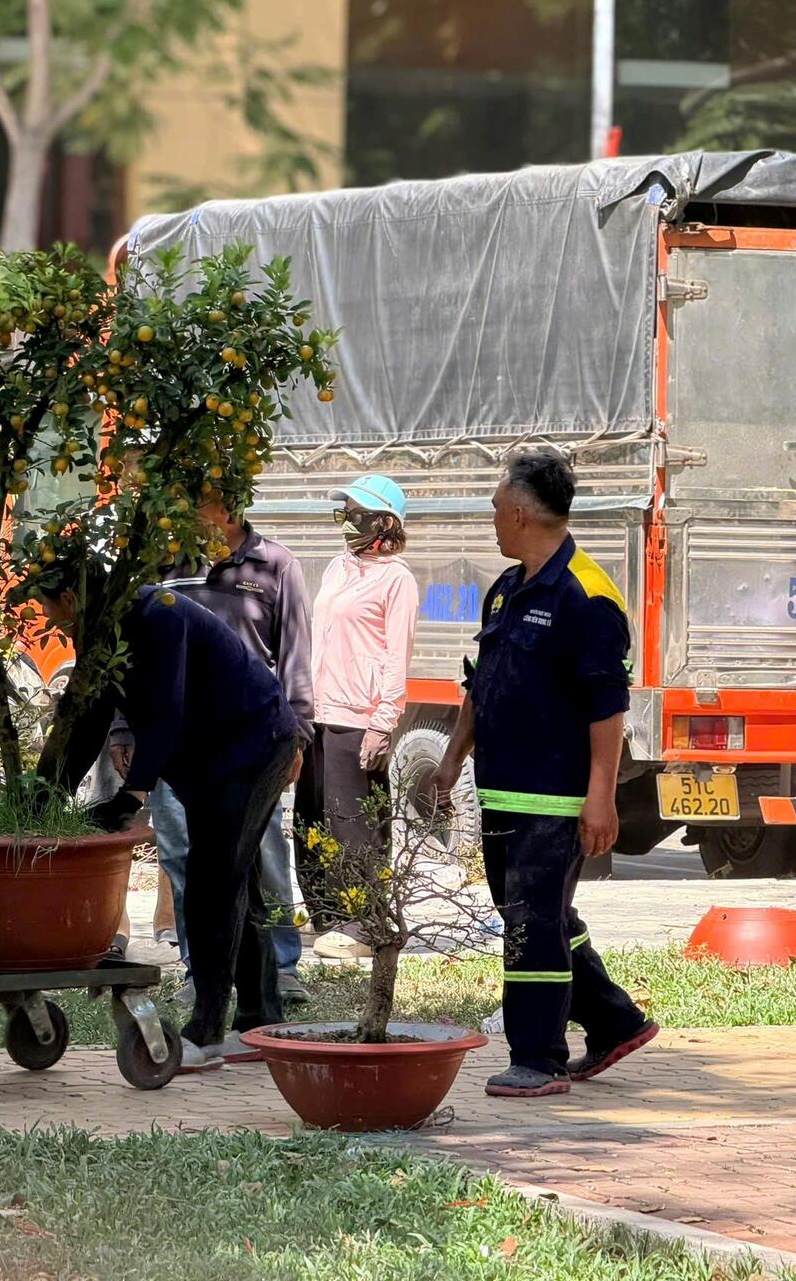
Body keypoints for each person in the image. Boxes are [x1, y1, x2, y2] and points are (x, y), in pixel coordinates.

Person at [434, 450, 659, 1098]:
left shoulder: (587, 596)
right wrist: (451, 759)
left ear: (520, 514)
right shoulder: (506, 589)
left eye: (495, 510)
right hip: (501, 791)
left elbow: (607, 707)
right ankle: (615, 1021)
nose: (492, 522)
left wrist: (600, 798)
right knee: (534, 916)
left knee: (531, 925)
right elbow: (481, 683)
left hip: (555, 799)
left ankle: (537, 1058)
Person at [41, 573, 299, 1071]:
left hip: (252, 745)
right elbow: (91, 714)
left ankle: (207, 1030)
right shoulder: (99, 630)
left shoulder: (160, 615)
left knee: (212, 882)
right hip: (207, 756)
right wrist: (48, 793)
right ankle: (261, 1022)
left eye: (48, 605)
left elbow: (165, 712)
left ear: (70, 597)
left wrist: (132, 795)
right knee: (231, 880)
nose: (47, 618)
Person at [109, 491, 314, 1002]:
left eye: (198, 503)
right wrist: (123, 729)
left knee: (261, 855)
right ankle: (198, 967)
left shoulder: (275, 565)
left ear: (229, 507)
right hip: (174, 746)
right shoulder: (164, 565)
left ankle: (280, 966)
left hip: (249, 742)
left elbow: (295, 657)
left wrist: (300, 734)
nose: (184, 513)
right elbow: (125, 655)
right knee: (183, 856)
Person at [302, 474, 420, 962]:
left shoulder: (397, 580)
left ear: (384, 523)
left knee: (353, 825)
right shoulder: (337, 568)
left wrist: (383, 722)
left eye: (355, 514)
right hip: (318, 713)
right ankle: (327, 914)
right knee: (313, 819)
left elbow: (396, 658)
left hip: (359, 718)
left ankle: (364, 923)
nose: (347, 522)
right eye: (344, 513)